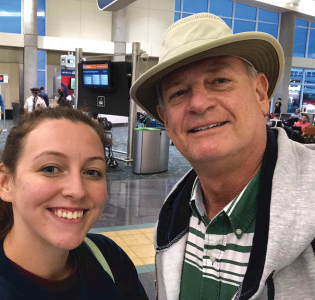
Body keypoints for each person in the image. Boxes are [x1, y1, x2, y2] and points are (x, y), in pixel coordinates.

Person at [130, 13, 315, 299]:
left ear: (260, 93)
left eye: (219, 80)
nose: (200, 103)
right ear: (166, 119)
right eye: (179, 92)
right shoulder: (174, 218)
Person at [0, 107, 147, 299]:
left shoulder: (108, 260)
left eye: (92, 172)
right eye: (50, 168)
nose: (77, 190)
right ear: (5, 183)